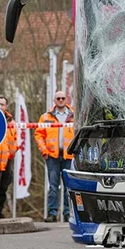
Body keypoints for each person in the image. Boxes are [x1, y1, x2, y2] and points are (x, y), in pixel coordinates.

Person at [35, 91, 74, 222]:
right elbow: (39, 134)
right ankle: (52, 213)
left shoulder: (74, 115)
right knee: (53, 185)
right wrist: (44, 151)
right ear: (54, 100)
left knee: (68, 186)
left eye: (63, 98)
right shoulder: (46, 117)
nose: (61, 100)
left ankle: (68, 213)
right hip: (52, 156)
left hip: (69, 155)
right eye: (58, 98)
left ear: (66, 99)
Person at [0, 96, 17, 219]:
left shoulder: (11, 121)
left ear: (6, 107)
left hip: (7, 159)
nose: (0, 106)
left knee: (4, 186)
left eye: (2, 104)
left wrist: (12, 154)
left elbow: (14, 140)